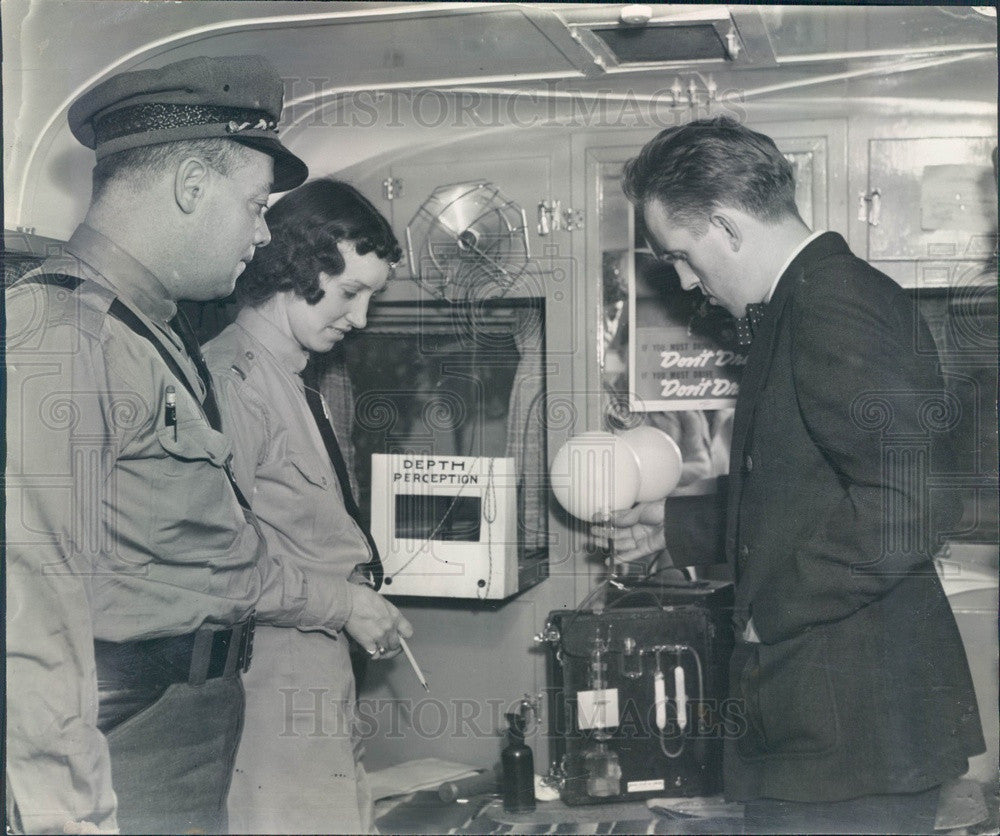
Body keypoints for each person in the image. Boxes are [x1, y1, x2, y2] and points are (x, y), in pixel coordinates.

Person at [4, 55, 370, 834]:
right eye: (253, 205)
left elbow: (211, 555)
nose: (264, 231)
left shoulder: (151, 333)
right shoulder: (59, 336)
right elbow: (31, 613)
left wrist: (338, 601)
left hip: (193, 722)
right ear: (191, 187)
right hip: (127, 739)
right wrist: (68, 819)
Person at [602, 116, 985, 833]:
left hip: (852, 741)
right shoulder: (805, 302)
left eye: (682, 254)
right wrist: (675, 524)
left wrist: (765, 615)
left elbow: (909, 505)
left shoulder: (831, 303)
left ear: (727, 226)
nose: (686, 281)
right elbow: (805, 491)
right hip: (835, 733)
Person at [203, 179, 412, 834]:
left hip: (320, 665)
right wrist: (346, 603)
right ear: (294, 265)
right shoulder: (229, 386)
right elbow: (215, 565)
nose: (361, 318)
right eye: (351, 293)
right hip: (268, 673)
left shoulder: (302, 387)